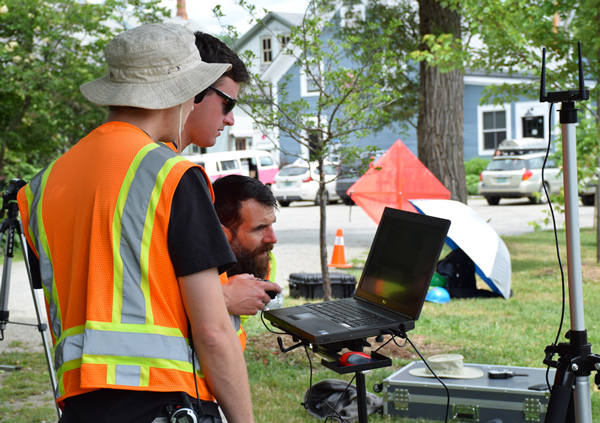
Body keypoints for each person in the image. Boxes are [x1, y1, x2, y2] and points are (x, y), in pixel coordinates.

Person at [16, 23, 253, 423]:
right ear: (184, 92)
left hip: (79, 406)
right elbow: (212, 333)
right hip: (163, 403)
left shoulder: (40, 187)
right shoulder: (171, 175)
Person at [212, 175, 282, 350]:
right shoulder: (185, 267)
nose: (273, 239)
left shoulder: (262, 260)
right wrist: (222, 299)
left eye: (271, 225)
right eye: (259, 228)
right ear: (220, 234)